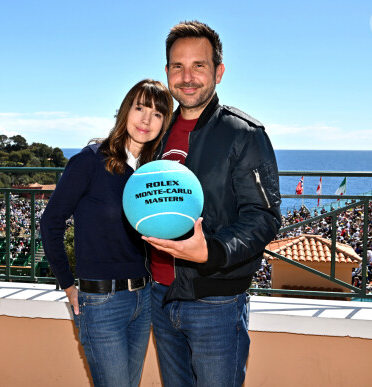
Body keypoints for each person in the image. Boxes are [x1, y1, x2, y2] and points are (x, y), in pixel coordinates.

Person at [142, 21, 282, 386]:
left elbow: (263, 216)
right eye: (177, 66)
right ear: (167, 72)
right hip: (160, 295)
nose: (187, 77)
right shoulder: (155, 134)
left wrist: (212, 252)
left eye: (198, 65)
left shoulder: (244, 134)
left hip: (215, 303)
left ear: (218, 71)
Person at [40, 79, 173, 386]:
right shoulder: (90, 161)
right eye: (140, 108)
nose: (146, 120)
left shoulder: (153, 172)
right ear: (125, 110)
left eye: (157, 114)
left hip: (143, 298)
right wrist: (67, 285)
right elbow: (50, 223)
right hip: (101, 301)